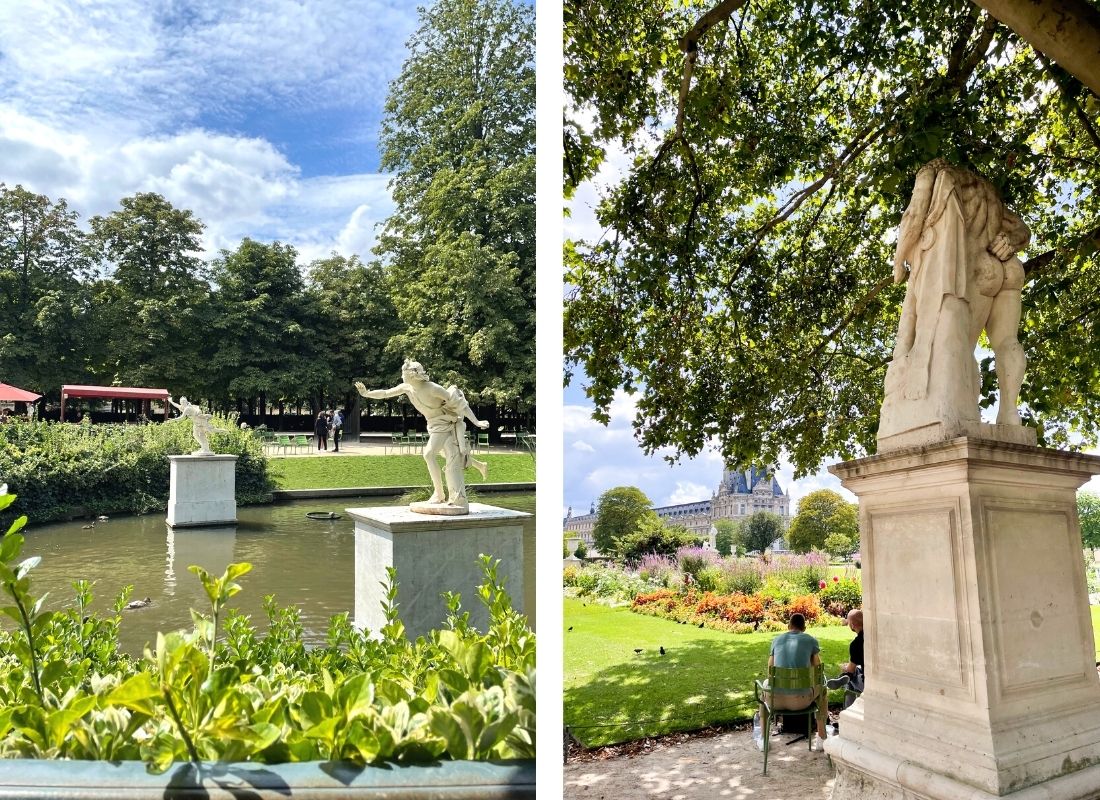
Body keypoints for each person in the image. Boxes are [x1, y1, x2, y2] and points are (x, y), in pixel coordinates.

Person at [882, 159, 1030, 437]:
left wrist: (899, 260)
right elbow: (1021, 230)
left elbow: (913, 218)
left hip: (965, 268)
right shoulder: (989, 192)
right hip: (1005, 266)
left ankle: (947, 410)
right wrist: (1010, 243)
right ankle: (1010, 413)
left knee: (953, 347)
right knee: (1008, 341)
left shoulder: (932, 173)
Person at [355, 360, 490, 512]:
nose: (401, 376)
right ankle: (480, 465)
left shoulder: (432, 388)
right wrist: (366, 394)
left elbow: (460, 403)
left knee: (428, 454)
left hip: (444, 424)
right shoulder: (407, 387)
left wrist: (477, 422)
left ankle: (439, 495)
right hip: (432, 425)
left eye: (403, 374)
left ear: (412, 375)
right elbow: (386, 393)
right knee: (450, 456)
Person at [755, 612, 828, 752]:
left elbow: (770, 670)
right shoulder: (811, 640)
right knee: (823, 688)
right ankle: (821, 738)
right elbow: (817, 669)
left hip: (774, 700)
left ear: (789, 626)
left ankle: (764, 739)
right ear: (804, 628)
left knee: (764, 690)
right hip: (802, 701)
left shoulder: (776, 640)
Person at [826, 608, 865, 693]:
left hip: (867, 683)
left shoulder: (856, 644)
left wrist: (845, 667)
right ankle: (844, 677)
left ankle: (849, 705)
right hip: (882, 676)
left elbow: (851, 669)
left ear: (852, 625)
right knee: (857, 669)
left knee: (849, 676)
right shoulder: (874, 636)